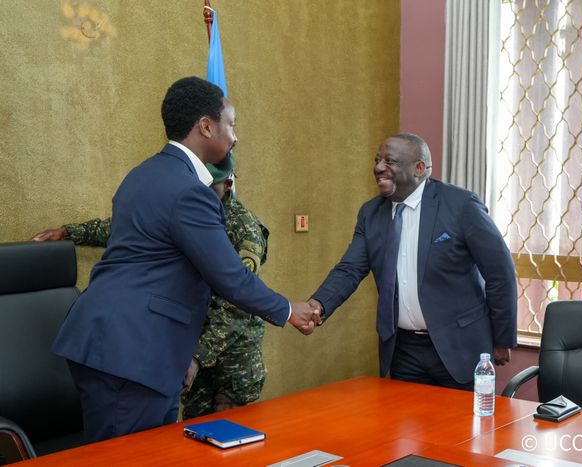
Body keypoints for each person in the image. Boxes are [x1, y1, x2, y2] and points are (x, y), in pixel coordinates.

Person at [50, 77, 319, 442]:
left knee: (150, 452)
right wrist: (288, 310)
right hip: (133, 353)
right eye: (231, 125)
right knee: (132, 458)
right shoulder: (189, 192)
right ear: (206, 126)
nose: (235, 137)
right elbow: (230, 277)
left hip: (119, 345)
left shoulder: (143, 174)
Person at [33, 158, 275, 418]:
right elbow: (129, 226)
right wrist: (69, 233)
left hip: (233, 356)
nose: (201, 189)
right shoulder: (188, 208)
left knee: (229, 434)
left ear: (227, 185)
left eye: (209, 185)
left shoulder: (243, 229)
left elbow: (237, 307)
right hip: (193, 342)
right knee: (192, 431)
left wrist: (197, 356)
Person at [309, 133, 517, 390]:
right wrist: (318, 305)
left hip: (459, 346)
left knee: (463, 418)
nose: (378, 168)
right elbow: (350, 269)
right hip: (404, 350)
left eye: (389, 161)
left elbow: (500, 273)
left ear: (419, 168)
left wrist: (502, 338)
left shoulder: (461, 205)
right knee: (404, 417)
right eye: (377, 160)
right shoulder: (370, 213)